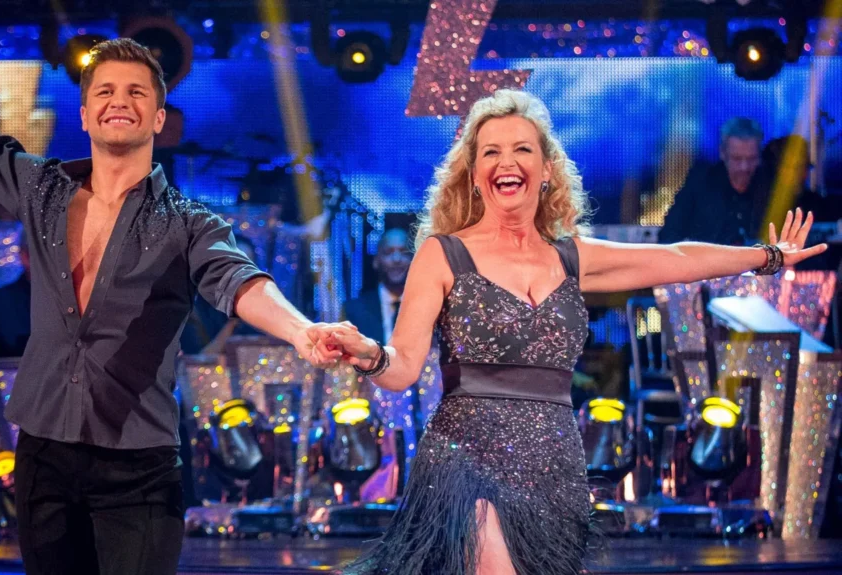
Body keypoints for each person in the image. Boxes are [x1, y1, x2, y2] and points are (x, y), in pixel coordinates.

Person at [0, 41, 346, 575]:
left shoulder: (187, 222)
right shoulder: (43, 190)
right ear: (84, 114)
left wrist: (300, 330)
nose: (118, 101)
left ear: (158, 118)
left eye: (136, 92)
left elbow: (239, 280)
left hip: (138, 466)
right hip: (43, 455)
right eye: (105, 91)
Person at [329, 90, 826, 575]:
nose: (507, 161)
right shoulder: (442, 254)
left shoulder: (570, 257)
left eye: (522, 149)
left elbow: (676, 258)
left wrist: (768, 257)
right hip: (465, 462)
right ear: (474, 174)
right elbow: (402, 369)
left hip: (554, 468)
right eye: (491, 152)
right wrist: (369, 353)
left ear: (547, 170)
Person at [659, 117, 771, 245]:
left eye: (751, 159)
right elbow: (669, 235)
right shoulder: (700, 184)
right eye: (737, 159)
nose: (744, 167)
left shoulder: (771, 187)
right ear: (723, 153)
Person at [343, 227, 412, 344]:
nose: (396, 259)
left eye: (404, 252)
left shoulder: (428, 308)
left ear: (414, 259)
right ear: (376, 261)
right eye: (388, 252)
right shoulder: (353, 310)